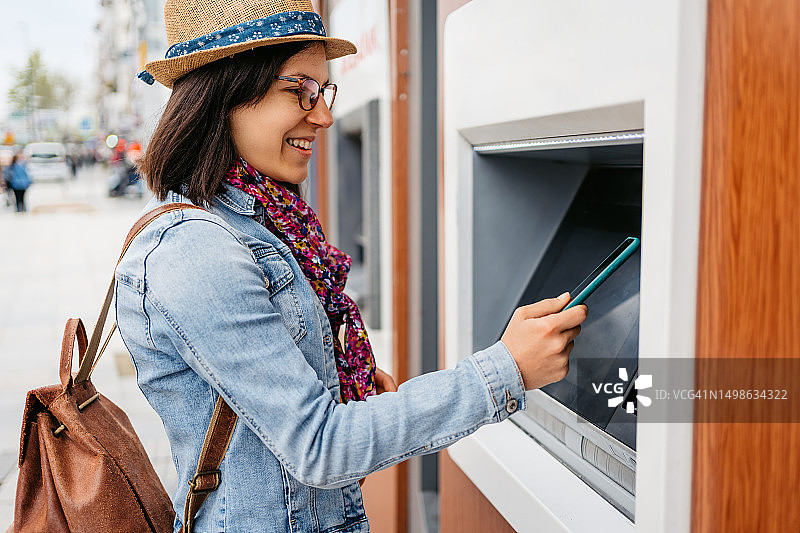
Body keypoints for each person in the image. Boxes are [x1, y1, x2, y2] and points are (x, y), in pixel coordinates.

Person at [117, 1, 588, 531]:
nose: (323, 115)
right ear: (226, 94)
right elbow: (320, 446)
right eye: (301, 90)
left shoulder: (266, 221)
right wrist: (508, 370)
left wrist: (346, 389)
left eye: (324, 90)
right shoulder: (195, 252)